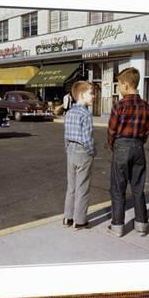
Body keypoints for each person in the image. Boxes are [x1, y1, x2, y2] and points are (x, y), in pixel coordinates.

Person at [107, 67, 149, 237]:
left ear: (126, 85)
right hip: (139, 147)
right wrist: (138, 143)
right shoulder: (145, 106)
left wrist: (113, 145)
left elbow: (112, 131)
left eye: (118, 84)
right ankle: (141, 224)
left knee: (118, 188)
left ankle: (117, 226)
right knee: (138, 187)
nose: (118, 87)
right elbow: (147, 130)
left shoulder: (119, 105)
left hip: (121, 146)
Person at [63, 81, 96, 229]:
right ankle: (80, 220)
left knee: (71, 186)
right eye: (91, 93)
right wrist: (92, 152)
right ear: (82, 95)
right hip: (83, 152)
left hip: (70, 150)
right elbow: (87, 137)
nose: (94, 96)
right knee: (82, 187)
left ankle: (68, 217)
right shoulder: (86, 114)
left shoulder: (69, 113)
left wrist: (68, 149)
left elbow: (65, 135)